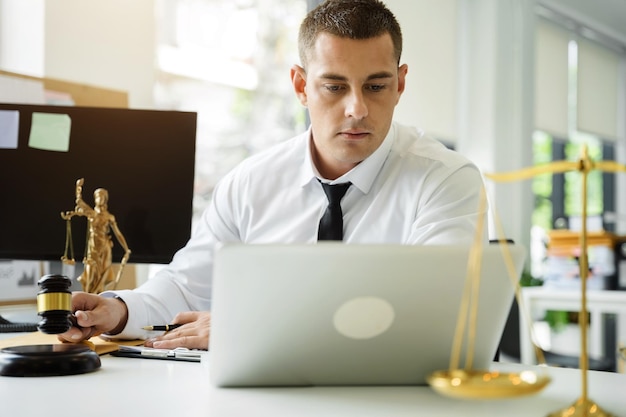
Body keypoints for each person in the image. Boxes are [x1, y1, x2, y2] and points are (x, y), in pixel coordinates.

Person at [59, 0, 486, 349]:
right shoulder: (251, 183)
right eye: (334, 87)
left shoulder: (445, 180)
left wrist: (247, 328)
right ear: (301, 86)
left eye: (376, 86)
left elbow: (437, 310)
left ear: (400, 83)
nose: (357, 108)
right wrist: (118, 311)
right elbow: (188, 285)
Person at [60, 178, 132, 294]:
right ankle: (89, 298)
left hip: (105, 247)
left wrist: (126, 248)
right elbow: (79, 202)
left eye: (103, 197)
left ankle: (99, 298)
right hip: (93, 247)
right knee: (91, 274)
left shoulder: (109, 217)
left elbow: (118, 233)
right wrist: (79, 188)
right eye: (98, 197)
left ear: (106, 200)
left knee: (103, 274)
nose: (100, 199)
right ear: (95, 199)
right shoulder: (91, 213)